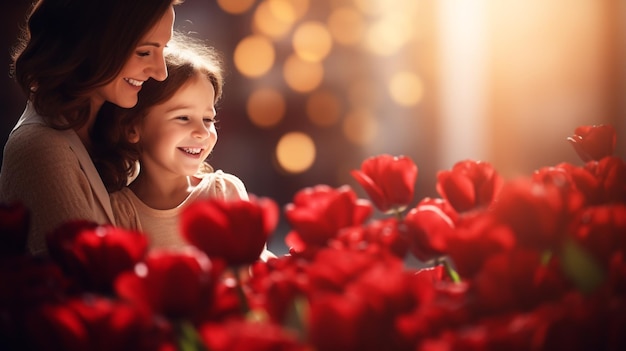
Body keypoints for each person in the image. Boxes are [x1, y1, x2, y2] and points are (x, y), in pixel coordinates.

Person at [0, 0, 184, 255]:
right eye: (144, 52)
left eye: (163, 49)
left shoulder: (111, 131)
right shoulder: (40, 149)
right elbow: (86, 286)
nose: (161, 73)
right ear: (92, 43)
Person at [92, 33, 275, 261]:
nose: (201, 132)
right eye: (183, 118)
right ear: (133, 129)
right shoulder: (121, 212)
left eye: (208, 119)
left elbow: (255, 270)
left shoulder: (224, 192)